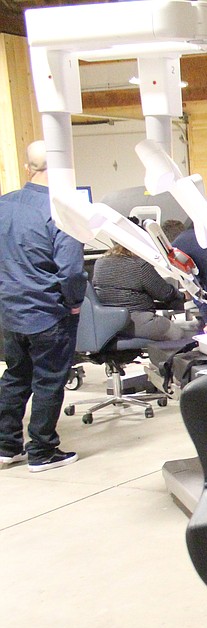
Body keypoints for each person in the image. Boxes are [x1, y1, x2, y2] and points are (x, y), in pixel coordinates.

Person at [0, 141, 85, 473]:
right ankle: (42, 449)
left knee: (15, 376)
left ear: (27, 168)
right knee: (49, 379)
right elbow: (72, 270)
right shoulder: (64, 209)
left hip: (9, 312)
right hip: (48, 312)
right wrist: (74, 303)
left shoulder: (3, 205)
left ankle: (7, 446)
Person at [92, 240, 200, 341]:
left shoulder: (100, 263)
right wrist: (183, 295)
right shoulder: (139, 264)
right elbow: (164, 293)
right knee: (184, 334)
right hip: (135, 322)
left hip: (108, 323)